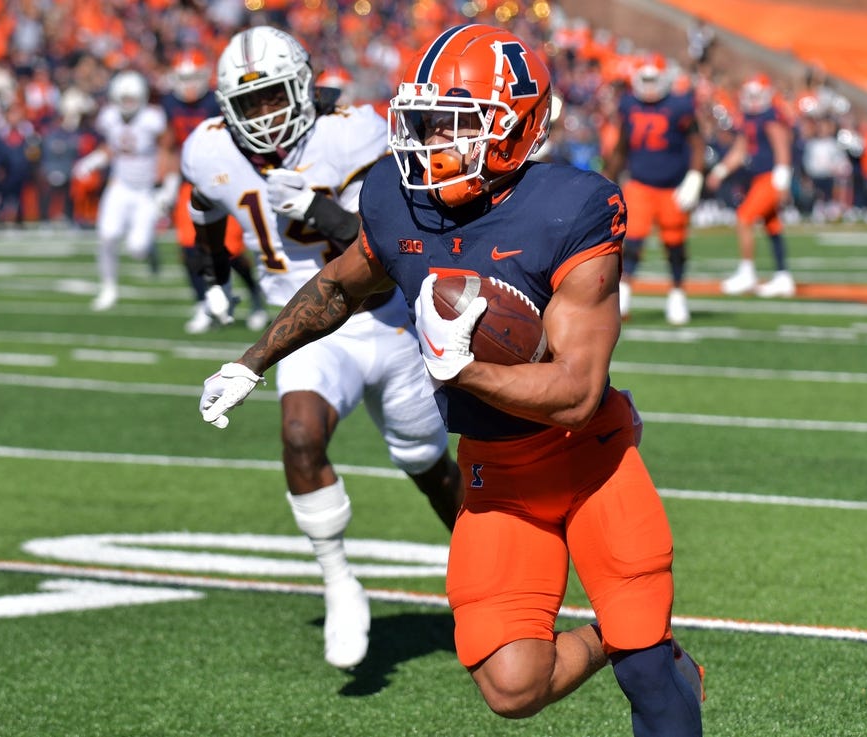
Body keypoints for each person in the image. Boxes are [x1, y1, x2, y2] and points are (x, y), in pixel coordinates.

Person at [197, 23, 705, 736]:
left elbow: (577, 392)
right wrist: (251, 362)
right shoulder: (400, 198)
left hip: (590, 458)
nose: (434, 143)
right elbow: (341, 287)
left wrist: (464, 370)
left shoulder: (573, 208)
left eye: (457, 126)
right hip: (497, 470)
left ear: (516, 127)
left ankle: (646, 648)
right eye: (427, 122)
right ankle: (622, 636)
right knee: (511, 684)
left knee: (647, 671)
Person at [181, 26, 463, 669]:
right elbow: (205, 208)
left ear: (304, 87)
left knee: (426, 465)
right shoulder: (208, 149)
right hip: (306, 325)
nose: (263, 116)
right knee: (301, 436)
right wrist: (213, 278)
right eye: (248, 105)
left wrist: (321, 210)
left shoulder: (353, 131)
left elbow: (400, 238)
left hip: (387, 316)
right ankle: (338, 580)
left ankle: (487, 577)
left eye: (274, 97)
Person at [161, 49, 268, 334]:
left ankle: (256, 298)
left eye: (193, 77)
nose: (188, 84)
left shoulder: (216, 101)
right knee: (188, 248)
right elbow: (170, 142)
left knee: (230, 250)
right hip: (191, 182)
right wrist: (168, 183)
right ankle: (203, 303)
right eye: (183, 78)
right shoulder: (170, 103)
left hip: (225, 180)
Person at [602, 57, 705, 325]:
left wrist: (695, 176)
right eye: (644, 79)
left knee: (675, 244)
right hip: (640, 184)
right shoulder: (628, 104)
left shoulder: (679, 106)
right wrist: (607, 177)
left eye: (652, 80)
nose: (648, 86)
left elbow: (697, 144)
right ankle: (623, 294)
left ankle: (677, 295)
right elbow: (622, 146)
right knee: (631, 242)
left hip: (672, 186)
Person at [72, 70, 172, 311]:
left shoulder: (153, 118)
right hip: (120, 185)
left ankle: (149, 251)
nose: (128, 105)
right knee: (106, 235)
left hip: (145, 190)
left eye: (132, 99)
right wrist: (93, 160)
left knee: (137, 248)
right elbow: (112, 147)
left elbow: (167, 150)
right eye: (124, 99)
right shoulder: (109, 116)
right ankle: (108, 287)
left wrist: (166, 186)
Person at [706, 73, 796, 298]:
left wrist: (782, 181)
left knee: (744, 218)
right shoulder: (749, 118)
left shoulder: (770, 116)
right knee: (772, 226)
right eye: (750, 95)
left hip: (770, 178)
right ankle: (783, 276)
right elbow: (740, 151)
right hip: (759, 177)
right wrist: (720, 171)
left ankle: (747, 273)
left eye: (757, 95)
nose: (753, 100)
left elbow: (782, 147)